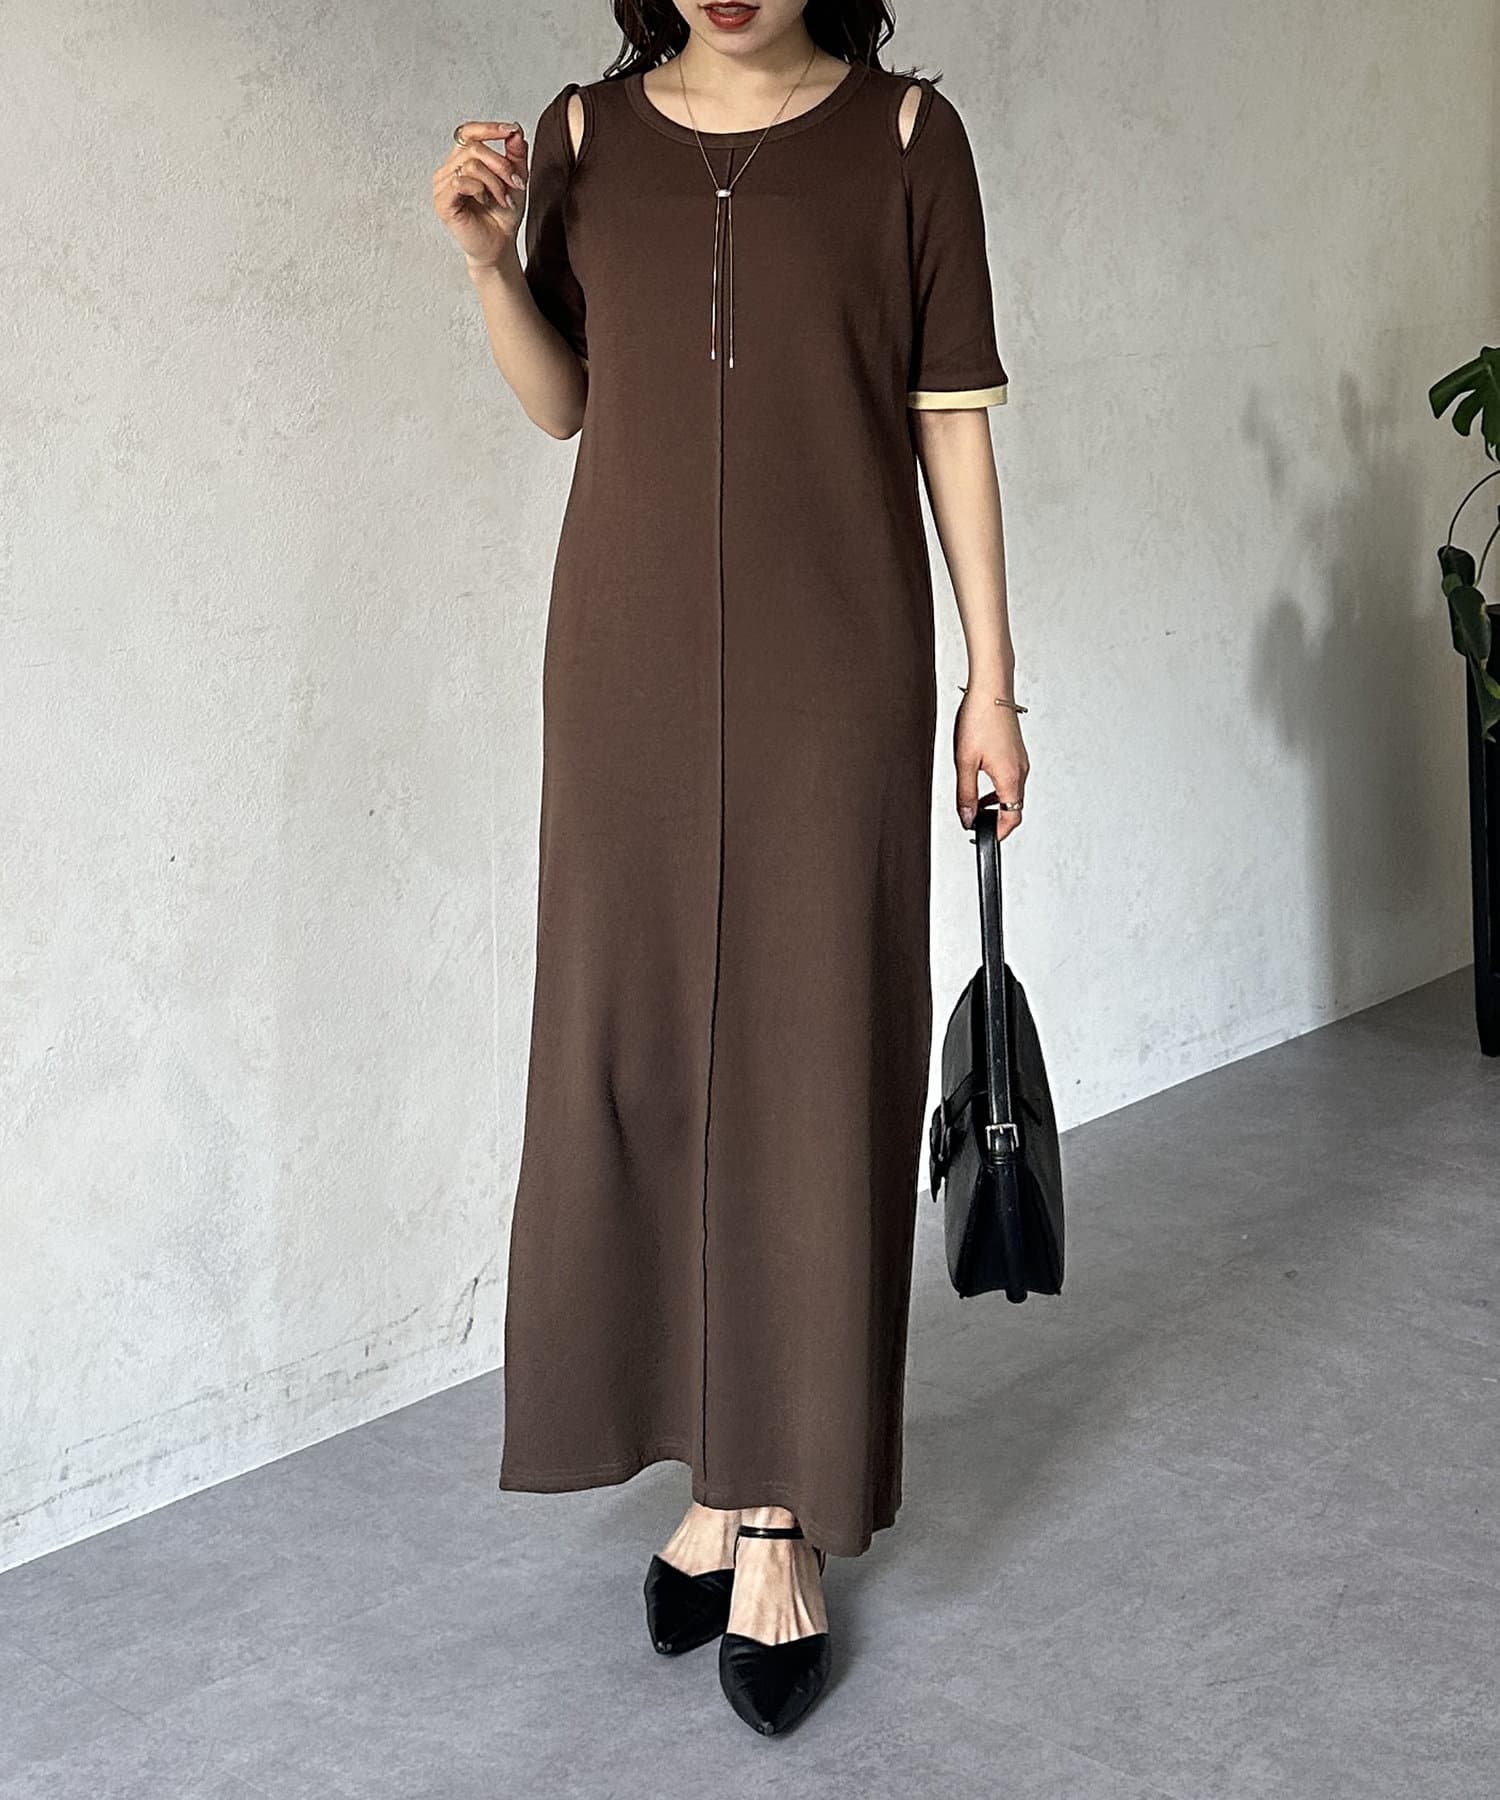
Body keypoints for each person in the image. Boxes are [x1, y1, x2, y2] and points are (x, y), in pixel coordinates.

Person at [432, 0, 1026, 1737]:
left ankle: (780, 1511)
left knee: (807, 1057)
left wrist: (993, 683)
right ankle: (711, 1461)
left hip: (834, 665)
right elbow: (566, 404)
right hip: (623, 670)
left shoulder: (906, 139)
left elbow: (952, 417)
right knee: (638, 1061)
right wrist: (488, 266)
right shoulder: (584, 136)